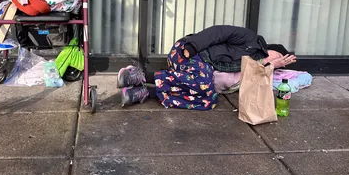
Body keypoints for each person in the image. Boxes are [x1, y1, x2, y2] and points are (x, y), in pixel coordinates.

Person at [117, 25, 296, 110]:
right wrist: (192, 46)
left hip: (198, 68)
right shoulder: (251, 39)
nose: (276, 60)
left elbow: (251, 78)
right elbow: (219, 32)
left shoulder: (255, 65)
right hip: (189, 51)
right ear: (272, 48)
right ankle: (140, 75)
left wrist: (271, 66)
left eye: (280, 62)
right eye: (278, 56)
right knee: (204, 80)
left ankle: (146, 92)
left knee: (209, 100)